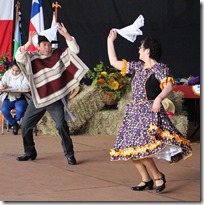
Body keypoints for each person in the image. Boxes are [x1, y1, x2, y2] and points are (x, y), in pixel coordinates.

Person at [107, 29, 192, 193]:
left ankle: (158, 176)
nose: (138, 50)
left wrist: (159, 99)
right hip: (134, 113)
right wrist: (110, 41)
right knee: (130, 149)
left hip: (148, 113)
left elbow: (169, 86)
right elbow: (114, 62)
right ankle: (146, 179)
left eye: (140, 47)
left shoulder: (160, 68)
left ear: (147, 51)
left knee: (140, 148)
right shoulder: (138, 66)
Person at [15, 23, 86, 165]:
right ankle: (30, 152)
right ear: (38, 46)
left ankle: (70, 154)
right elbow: (19, 57)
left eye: (49, 44)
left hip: (54, 98)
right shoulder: (32, 57)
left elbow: (75, 50)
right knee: (25, 126)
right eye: (44, 45)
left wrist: (66, 35)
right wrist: (29, 42)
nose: (47, 47)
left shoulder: (57, 54)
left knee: (61, 125)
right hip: (39, 99)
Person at [0, 61, 30, 135]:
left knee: (20, 110)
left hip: (21, 97)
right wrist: (2, 86)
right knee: (4, 110)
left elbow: (26, 86)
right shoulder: (7, 74)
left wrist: (12, 87)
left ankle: (13, 123)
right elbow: (2, 83)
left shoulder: (24, 75)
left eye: (17, 71)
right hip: (9, 97)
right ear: (11, 68)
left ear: (20, 70)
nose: (14, 72)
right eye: (13, 70)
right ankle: (14, 124)